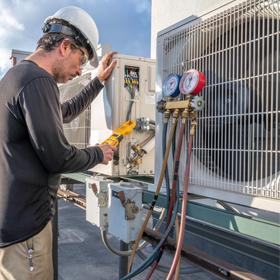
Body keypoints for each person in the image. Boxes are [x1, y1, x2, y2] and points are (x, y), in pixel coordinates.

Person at [0, 6, 117, 280]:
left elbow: (64, 111)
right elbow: (58, 158)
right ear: (65, 47)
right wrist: (98, 153)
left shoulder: (15, 78)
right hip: (26, 232)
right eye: (81, 58)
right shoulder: (38, 82)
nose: (79, 71)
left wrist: (98, 82)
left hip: (13, 225)